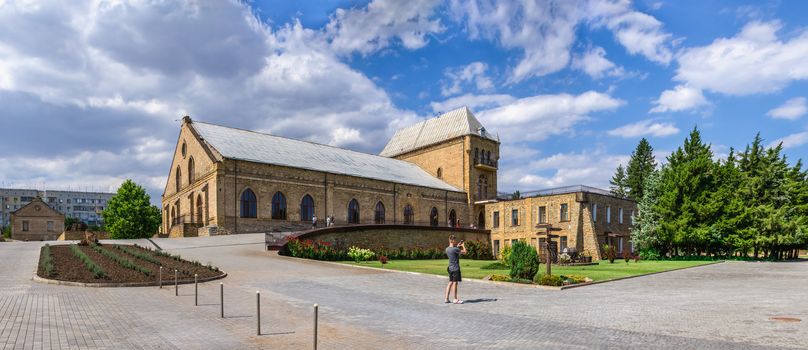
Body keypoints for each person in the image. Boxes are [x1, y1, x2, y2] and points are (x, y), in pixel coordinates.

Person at [444, 235, 467, 304]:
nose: (456, 241)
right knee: (455, 283)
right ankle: (455, 299)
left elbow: (453, 250)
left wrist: (457, 246)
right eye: (455, 240)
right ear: (453, 240)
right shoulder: (455, 249)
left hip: (450, 268)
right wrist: (463, 245)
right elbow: (465, 252)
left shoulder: (447, 249)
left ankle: (446, 298)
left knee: (450, 282)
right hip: (455, 268)